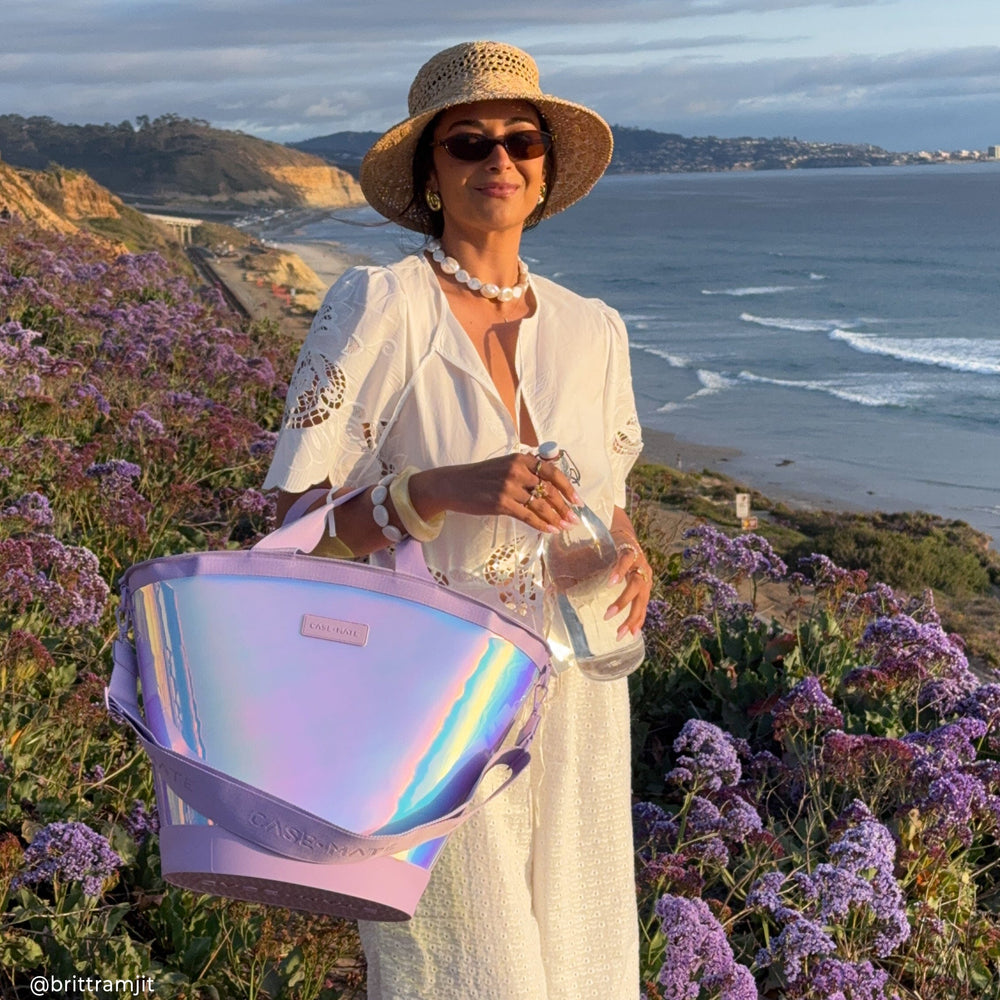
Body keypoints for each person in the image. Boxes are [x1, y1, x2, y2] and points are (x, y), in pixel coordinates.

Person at [263, 40, 651, 1000]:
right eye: (468, 144)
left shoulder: (594, 327)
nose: (499, 162)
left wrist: (634, 557)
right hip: (430, 701)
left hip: (580, 700)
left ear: (547, 168)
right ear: (432, 176)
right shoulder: (381, 303)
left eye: (521, 141)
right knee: (475, 976)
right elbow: (294, 532)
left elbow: (610, 506)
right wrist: (435, 492)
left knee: (584, 966)